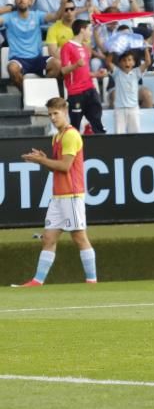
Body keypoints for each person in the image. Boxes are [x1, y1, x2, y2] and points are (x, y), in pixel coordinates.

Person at [14, 97, 97, 286]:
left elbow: (66, 166)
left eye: (55, 113)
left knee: (79, 237)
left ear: (65, 112)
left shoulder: (70, 135)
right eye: (50, 114)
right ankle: (37, 280)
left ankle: (92, 280)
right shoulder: (56, 136)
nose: (52, 118)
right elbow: (57, 167)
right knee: (49, 238)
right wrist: (44, 159)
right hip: (59, 195)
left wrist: (41, 161)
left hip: (72, 194)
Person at [1, 0, 62, 88]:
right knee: (12, 68)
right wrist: (6, 9)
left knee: (57, 64)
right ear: (15, 1)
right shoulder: (9, 17)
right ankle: (25, 93)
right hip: (18, 59)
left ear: (29, 1)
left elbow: (55, 17)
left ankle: (42, 89)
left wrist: (63, 4)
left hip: (37, 58)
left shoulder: (37, 15)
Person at [60, 20, 106, 134]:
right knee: (75, 127)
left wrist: (96, 74)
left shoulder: (85, 48)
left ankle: (102, 146)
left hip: (90, 89)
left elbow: (84, 72)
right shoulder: (67, 46)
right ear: (82, 29)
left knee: (97, 121)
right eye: (89, 30)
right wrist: (76, 65)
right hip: (76, 93)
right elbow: (63, 70)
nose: (90, 33)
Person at [107, 47, 151, 134]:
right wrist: (113, 49)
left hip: (133, 108)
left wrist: (146, 49)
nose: (127, 63)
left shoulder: (136, 72)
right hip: (119, 109)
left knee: (135, 135)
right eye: (124, 60)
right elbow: (108, 62)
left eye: (129, 60)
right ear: (119, 63)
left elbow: (148, 62)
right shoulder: (117, 73)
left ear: (134, 62)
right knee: (119, 135)